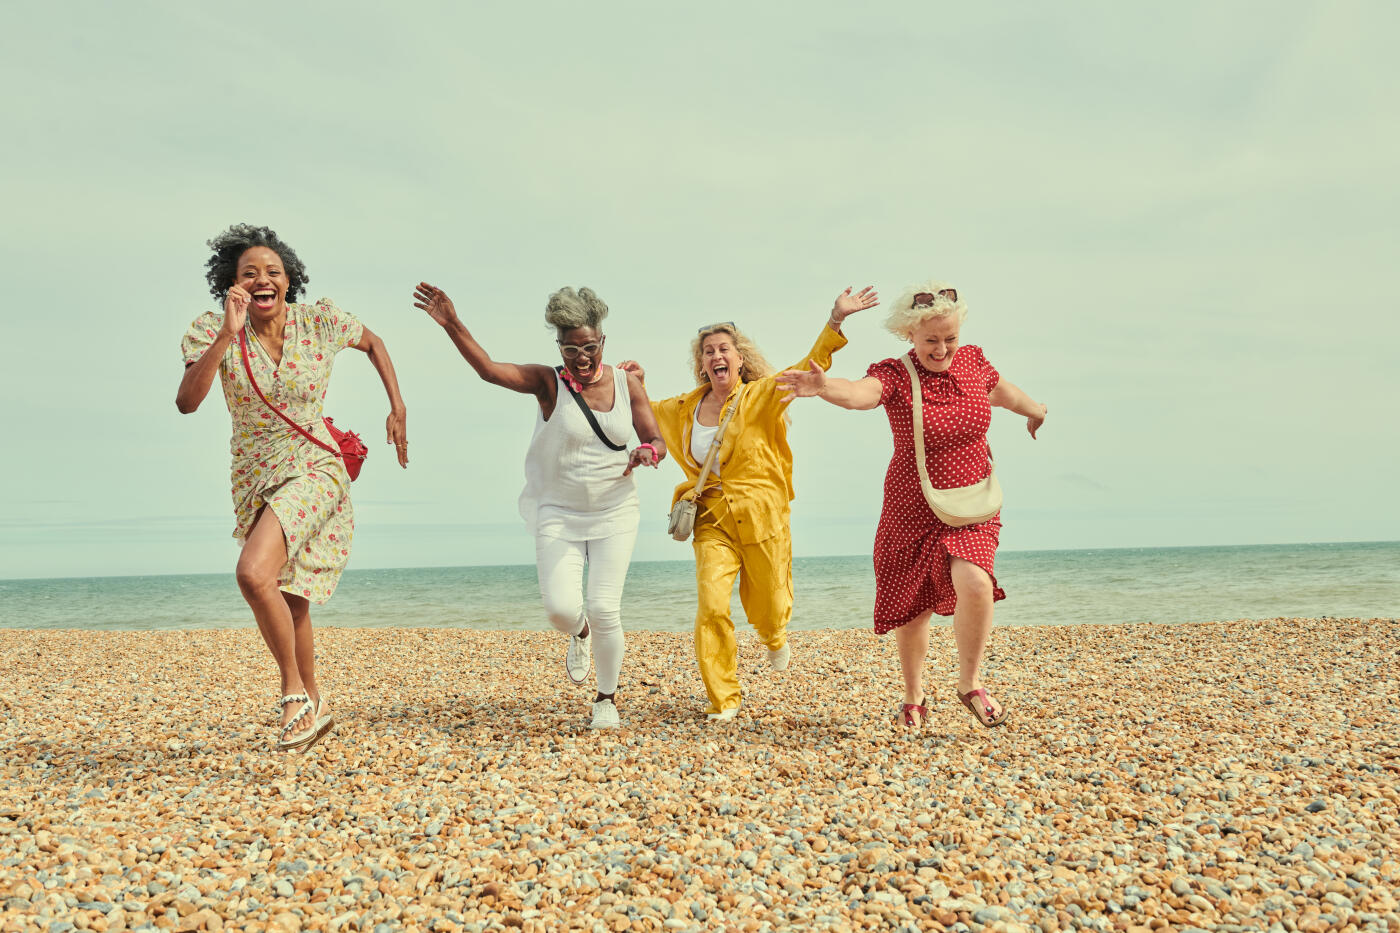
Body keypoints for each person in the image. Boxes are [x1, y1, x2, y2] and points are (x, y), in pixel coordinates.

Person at [176, 224, 409, 752]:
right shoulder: (211, 331)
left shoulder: (318, 321)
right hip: (254, 475)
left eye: (273, 272)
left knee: (252, 574)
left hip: (316, 466)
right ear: (232, 285)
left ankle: (292, 695)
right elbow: (187, 402)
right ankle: (317, 705)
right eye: (249, 273)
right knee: (290, 598)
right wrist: (224, 338)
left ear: (288, 281)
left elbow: (373, 342)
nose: (262, 279)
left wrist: (397, 407)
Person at [777, 281, 1046, 729]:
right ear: (910, 335)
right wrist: (824, 387)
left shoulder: (974, 362)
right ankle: (913, 693)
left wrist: (1035, 410)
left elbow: (1004, 393)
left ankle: (970, 682)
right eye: (931, 341)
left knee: (976, 584)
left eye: (949, 339)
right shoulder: (896, 375)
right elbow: (860, 393)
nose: (942, 349)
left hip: (972, 503)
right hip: (912, 506)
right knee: (914, 605)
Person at [412, 282, 665, 729]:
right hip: (559, 512)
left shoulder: (628, 385)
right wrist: (452, 324)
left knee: (606, 607)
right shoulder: (548, 382)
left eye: (589, 346)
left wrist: (649, 452)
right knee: (561, 610)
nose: (581, 358)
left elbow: (654, 437)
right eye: (571, 349)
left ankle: (606, 699)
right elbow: (489, 370)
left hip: (615, 511)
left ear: (603, 341)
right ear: (559, 347)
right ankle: (579, 633)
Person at [620, 287, 879, 721]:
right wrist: (637, 383)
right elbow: (642, 412)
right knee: (712, 606)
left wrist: (836, 321)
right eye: (708, 351)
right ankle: (724, 699)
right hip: (711, 519)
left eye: (724, 349)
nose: (716, 356)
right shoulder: (683, 408)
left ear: (739, 358)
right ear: (701, 363)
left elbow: (806, 368)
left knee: (771, 605)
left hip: (761, 514)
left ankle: (775, 637)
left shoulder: (761, 395)